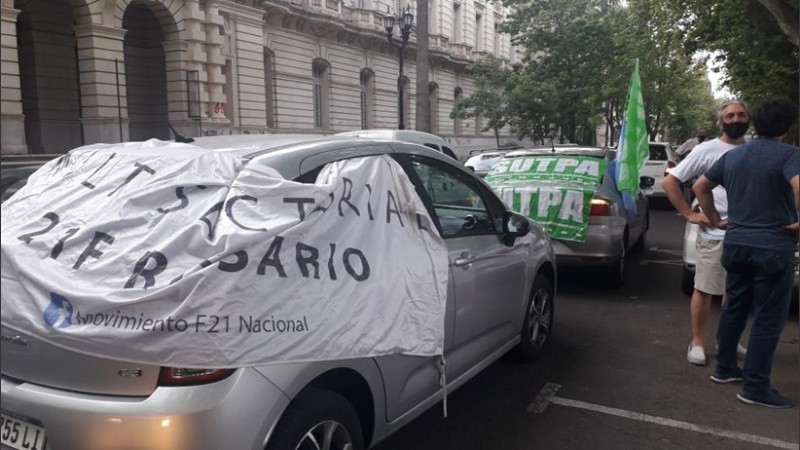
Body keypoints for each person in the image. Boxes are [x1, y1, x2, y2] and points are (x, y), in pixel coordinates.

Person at [693, 98, 799, 408]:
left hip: (736, 242)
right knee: (767, 318)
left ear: (755, 124)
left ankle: (725, 369)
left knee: (734, 307)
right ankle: (754, 387)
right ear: (788, 127)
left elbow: (701, 187)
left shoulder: (736, 156)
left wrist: (713, 220)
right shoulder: (790, 155)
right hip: (772, 246)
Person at [662, 101, 750, 366]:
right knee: (704, 288)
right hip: (714, 233)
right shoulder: (707, 149)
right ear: (721, 122)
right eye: (730, 115)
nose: (736, 119)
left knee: (736, 293)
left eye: (741, 115)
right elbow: (670, 181)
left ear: (750, 120)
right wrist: (689, 214)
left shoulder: (752, 150)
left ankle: (728, 339)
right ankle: (698, 342)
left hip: (746, 233)